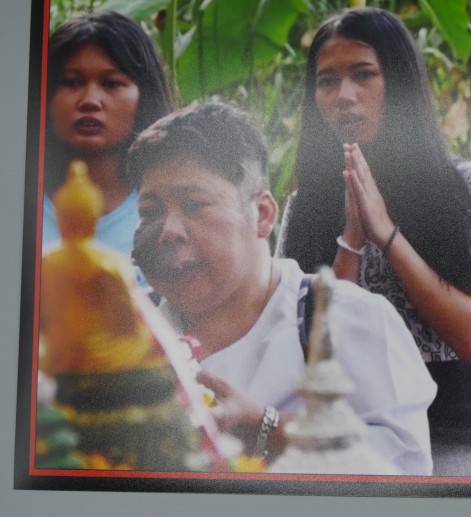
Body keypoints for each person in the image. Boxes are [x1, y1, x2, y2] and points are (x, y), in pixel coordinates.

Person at [277, 7, 471, 477]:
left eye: (363, 75)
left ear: (398, 82)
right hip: (351, 423)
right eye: (327, 81)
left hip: (460, 431)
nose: (344, 96)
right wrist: (352, 239)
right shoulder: (304, 208)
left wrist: (386, 233)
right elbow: (317, 350)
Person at [127, 101, 437, 475]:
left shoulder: (346, 319)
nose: (168, 231)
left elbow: (404, 468)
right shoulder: (125, 338)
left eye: (195, 205)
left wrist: (267, 429)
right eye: (150, 212)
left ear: (262, 214)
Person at [42, 10, 173, 257]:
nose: (90, 100)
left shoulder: (169, 217)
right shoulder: (16, 202)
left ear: (144, 95)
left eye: (111, 83)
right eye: (71, 82)